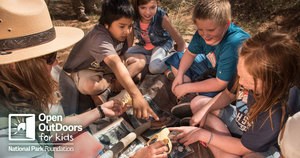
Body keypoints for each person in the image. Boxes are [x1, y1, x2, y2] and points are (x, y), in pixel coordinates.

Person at [0, 0, 166, 157]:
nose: (56, 62)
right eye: (49, 57)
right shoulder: (7, 135)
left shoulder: (18, 91)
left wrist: (99, 111)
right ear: (13, 65)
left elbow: (47, 128)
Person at [169, 31, 300, 158]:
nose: (241, 82)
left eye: (248, 81)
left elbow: (244, 148)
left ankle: (218, 145)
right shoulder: (248, 69)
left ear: (273, 82)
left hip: (258, 148)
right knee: (198, 103)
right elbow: (228, 95)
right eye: (239, 74)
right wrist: (205, 110)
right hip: (239, 121)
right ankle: (218, 140)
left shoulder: (275, 113)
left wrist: (202, 135)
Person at [61, 0, 159, 120]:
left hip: (107, 69)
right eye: (122, 26)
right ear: (106, 24)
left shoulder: (125, 33)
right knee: (90, 86)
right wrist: (136, 96)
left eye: (130, 26)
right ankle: (114, 87)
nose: (127, 31)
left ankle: (111, 87)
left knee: (140, 61)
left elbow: (120, 56)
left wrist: (123, 66)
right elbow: (115, 63)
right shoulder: (99, 37)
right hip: (86, 70)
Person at [165, 0, 250, 108]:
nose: (205, 35)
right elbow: (190, 54)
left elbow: (221, 83)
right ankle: (188, 92)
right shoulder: (205, 30)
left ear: (226, 24)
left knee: (210, 96)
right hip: (212, 68)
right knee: (177, 58)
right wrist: (180, 74)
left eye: (211, 30)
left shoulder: (233, 43)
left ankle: (190, 93)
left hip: (230, 82)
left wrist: (187, 87)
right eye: (200, 30)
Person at [127, 0, 185, 78]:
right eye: (143, 8)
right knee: (126, 53)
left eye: (152, 7)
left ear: (157, 4)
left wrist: (180, 58)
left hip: (161, 45)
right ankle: (152, 61)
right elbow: (130, 33)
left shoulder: (162, 17)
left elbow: (180, 41)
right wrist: (129, 48)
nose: (148, 12)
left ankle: (169, 57)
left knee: (154, 68)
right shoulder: (133, 15)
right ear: (137, 6)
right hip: (144, 45)